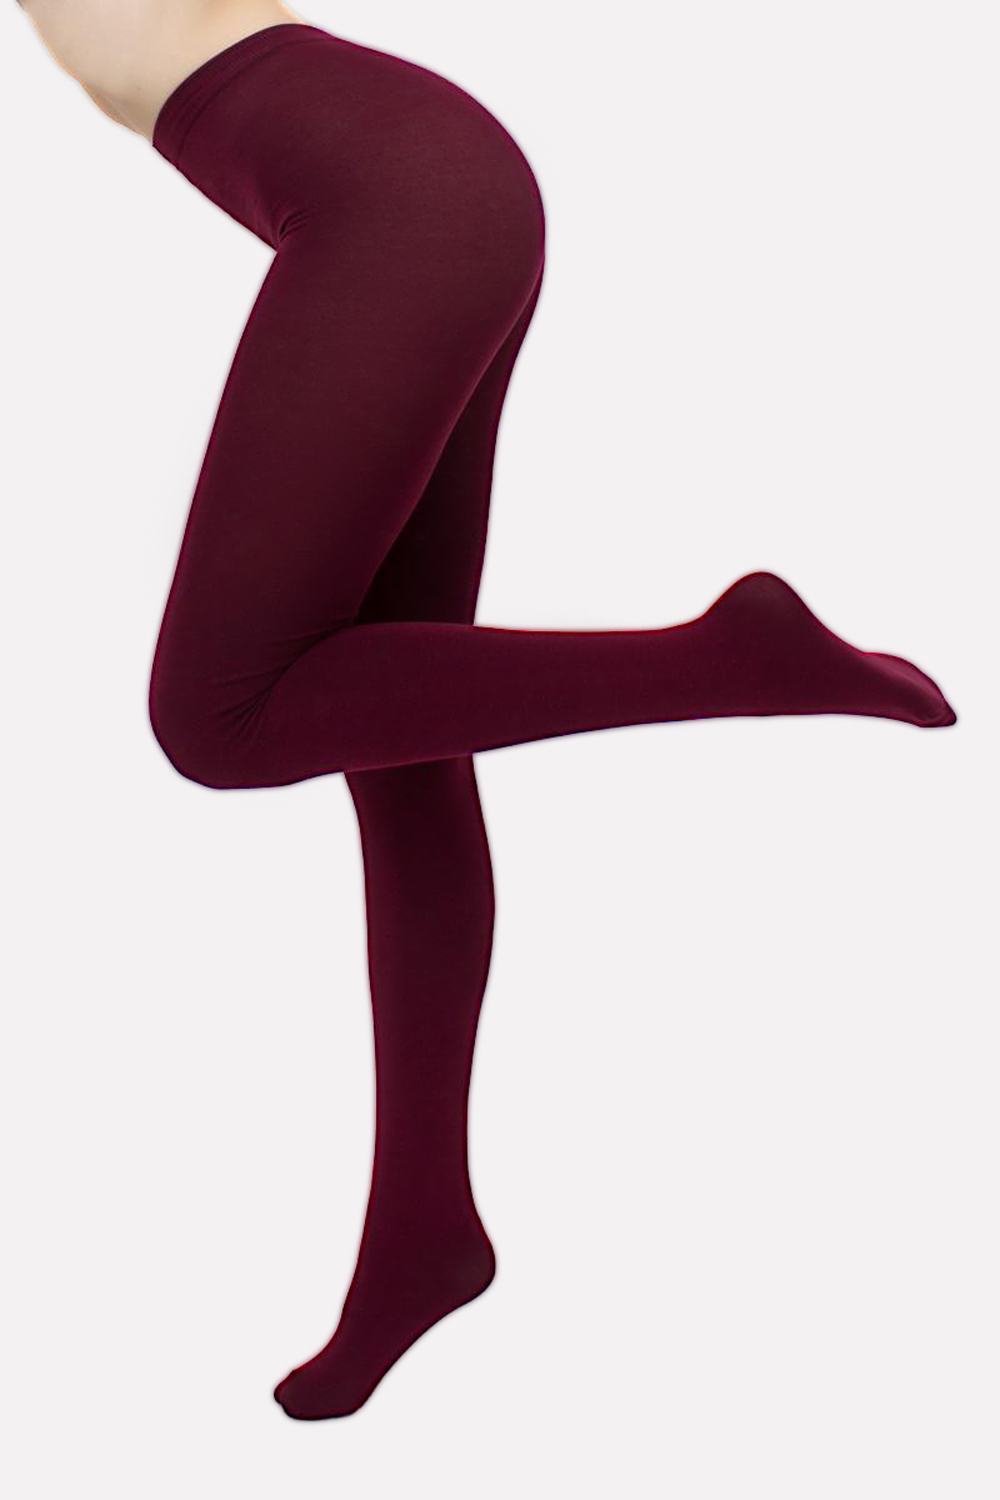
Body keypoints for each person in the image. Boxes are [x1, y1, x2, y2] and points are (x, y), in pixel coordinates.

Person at [14, 0, 957, 1420]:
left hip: (398, 200)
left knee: (220, 715)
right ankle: (423, 1234)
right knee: (405, 751)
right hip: (422, 184)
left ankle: (728, 660)